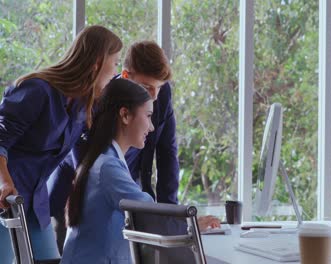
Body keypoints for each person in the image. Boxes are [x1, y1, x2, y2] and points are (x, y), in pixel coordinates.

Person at [60, 79, 219, 263]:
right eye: (148, 115)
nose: (151, 127)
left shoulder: (106, 160)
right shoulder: (108, 168)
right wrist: (191, 225)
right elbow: (148, 214)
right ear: (125, 115)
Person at [0, 25, 122, 262]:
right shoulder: (38, 90)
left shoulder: (81, 105)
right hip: (6, 199)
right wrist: (3, 181)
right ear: (97, 61)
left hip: (35, 205)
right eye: (115, 62)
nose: (115, 70)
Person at [47, 40, 180, 252]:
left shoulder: (160, 95)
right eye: (147, 87)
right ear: (126, 76)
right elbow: (84, 160)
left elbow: (168, 153)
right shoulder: (98, 95)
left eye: (159, 88)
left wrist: (172, 215)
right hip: (75, 194)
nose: (153, 97)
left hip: (123, 195)